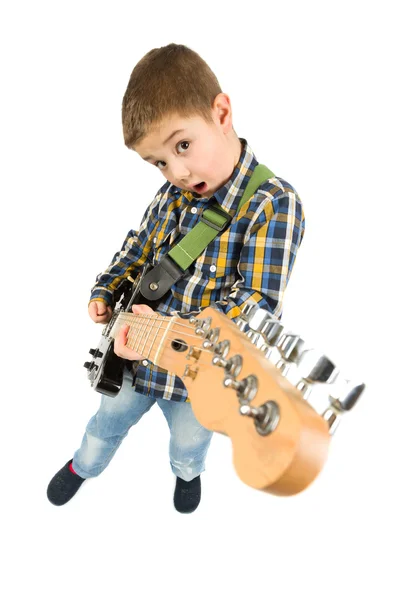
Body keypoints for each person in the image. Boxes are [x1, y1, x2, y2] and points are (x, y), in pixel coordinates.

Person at [47, 43, 305, 513]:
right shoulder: (172, 193)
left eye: (182, 145)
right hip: (133, 363)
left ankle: (186, 477)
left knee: (189, 445)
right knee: (105, 424)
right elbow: (138, 246)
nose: (177, 172)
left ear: (221, 112)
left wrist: (155, 333)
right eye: (160, 162)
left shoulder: (274, 203)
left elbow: (253, 309)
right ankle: (82, 467)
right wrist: (106, 287)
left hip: (195, 379)